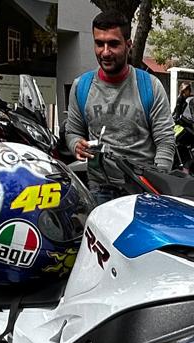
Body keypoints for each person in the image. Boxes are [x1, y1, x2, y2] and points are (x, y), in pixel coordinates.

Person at [65, 10, 175, 203]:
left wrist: (158, 184)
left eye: (113, 44)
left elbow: (165, 141)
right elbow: (72, 132)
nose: (105, 52)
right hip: (99, 190)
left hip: (142, 189)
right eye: (99, 44)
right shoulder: (81, 86)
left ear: (128, 45)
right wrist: (76, 145)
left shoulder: (150, 86)